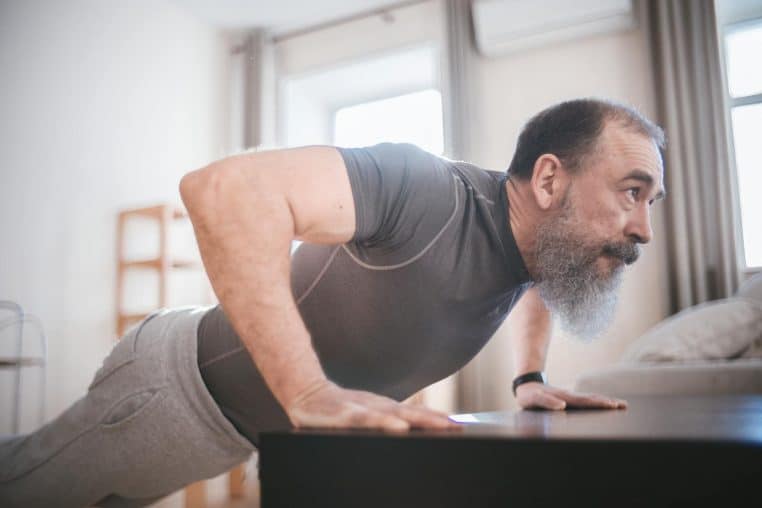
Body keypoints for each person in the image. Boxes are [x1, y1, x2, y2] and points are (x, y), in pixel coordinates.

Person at [0, 98, 665, 507]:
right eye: (632, 192)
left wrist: (529, 378)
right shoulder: (428, 191)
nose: (644, 227)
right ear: (549, 179)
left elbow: (542, 283)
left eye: (651, 202)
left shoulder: (531, 246)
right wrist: (308, 389)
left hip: (227, 433)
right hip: (168, 392)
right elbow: (223, 190)